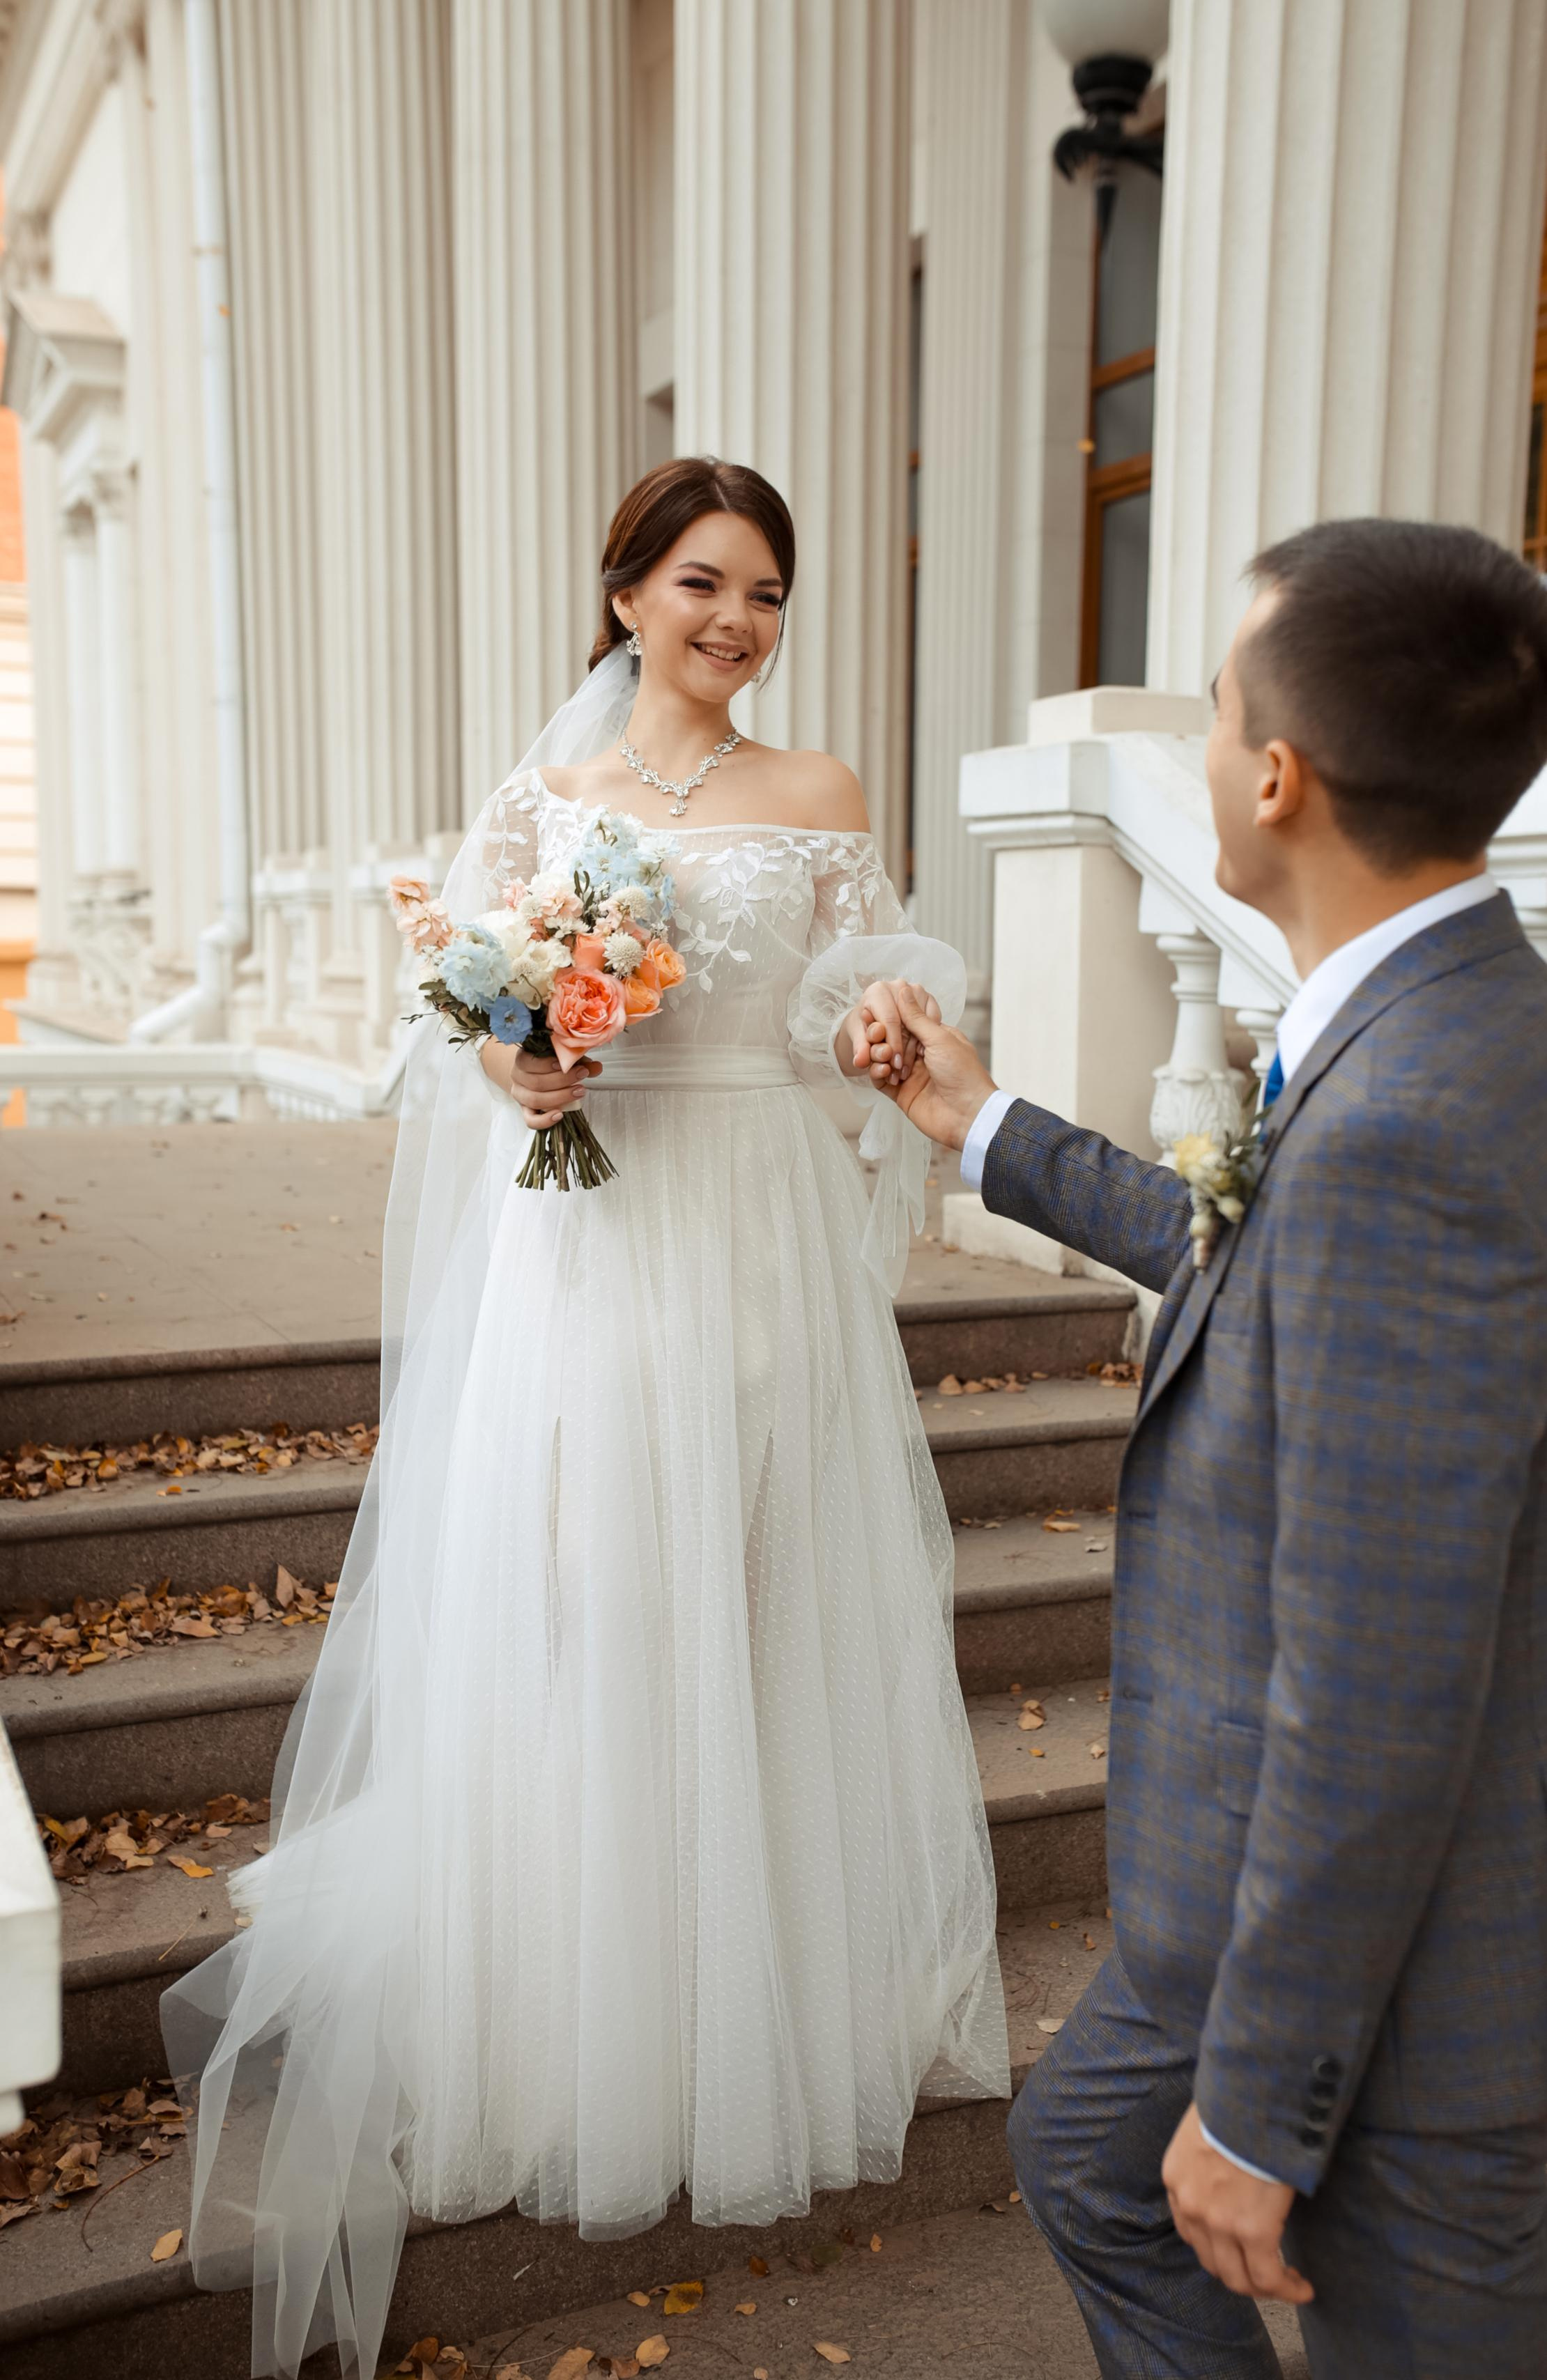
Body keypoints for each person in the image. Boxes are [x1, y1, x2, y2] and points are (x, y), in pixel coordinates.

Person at [162, 457, 1008, 2380]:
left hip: (762, 1249)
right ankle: (575, 2014)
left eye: (768, 594)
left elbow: (833, 1027)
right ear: (625, 591)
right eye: (704, 582)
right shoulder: (540, 804)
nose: (737, 621)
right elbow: (469, 1016)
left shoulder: (822, 798)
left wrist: (883, 1050)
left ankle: (743, 2001)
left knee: (751, 1593)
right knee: (593, 1599)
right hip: (596, 1244)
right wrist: (519, 1068)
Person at [877, 518, 1547, 2378]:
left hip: (1407, 1998)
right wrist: (979, 1118)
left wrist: (1258, 2109)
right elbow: (1256, 1259)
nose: (1189, 756)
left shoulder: (1405, 1122)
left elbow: (1378, 1678)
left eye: (1214, 707)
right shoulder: (1450, 1022)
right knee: (1090, 2157)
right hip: (1251, 1906)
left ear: (1273, 774)